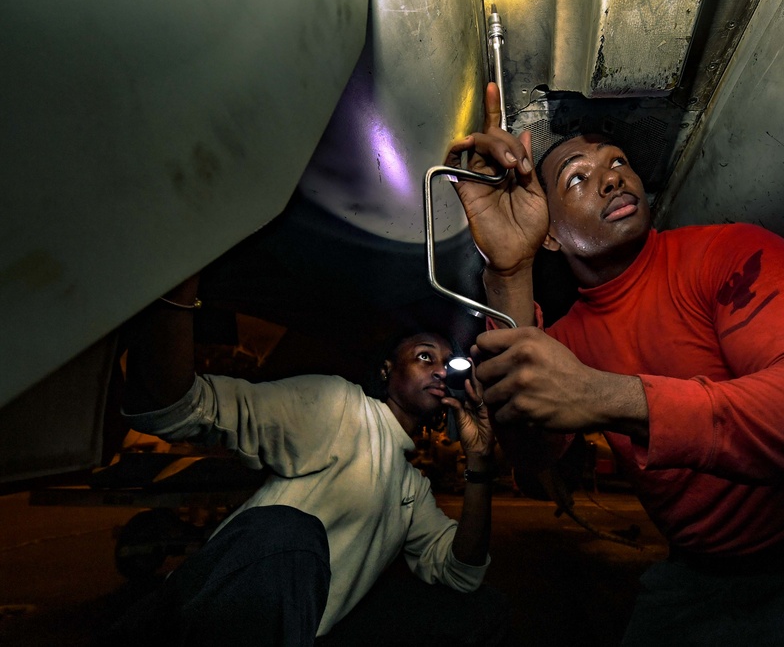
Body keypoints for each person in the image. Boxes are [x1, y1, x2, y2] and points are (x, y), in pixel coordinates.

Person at [445, 83, 784, 645]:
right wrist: (510, 271)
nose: (612, 178)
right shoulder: (569, 342)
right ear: (552, 235)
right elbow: (534, 454)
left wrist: (608, 397)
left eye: (620, 164)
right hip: (700, 573)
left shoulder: (727, 254)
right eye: (578, 179)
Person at [98, 273, 507, 646]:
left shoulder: (410, 488)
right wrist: (176, 287)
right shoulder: (339, 404)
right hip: (206, 617)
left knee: (479, 609)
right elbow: (186, 408)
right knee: (289, 530)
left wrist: (480, 462)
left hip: (298, 629)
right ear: (386, 370)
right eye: (423, 357)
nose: (438, 371)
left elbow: (461, 570)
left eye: (445, 363)